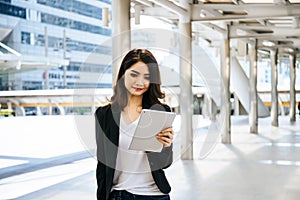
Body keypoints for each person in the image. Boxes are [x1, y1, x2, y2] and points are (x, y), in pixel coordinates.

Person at [95, 49, 174, 200]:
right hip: (119, 195)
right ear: (123, 74)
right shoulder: (104, 115)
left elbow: (164, 164)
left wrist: (167, 146)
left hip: (155, 195)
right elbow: (102, 165)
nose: (140, 82)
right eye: (134, 74)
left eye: (147, 77)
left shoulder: (159, 111)